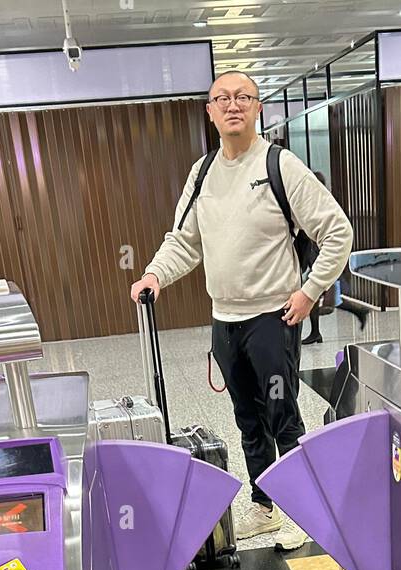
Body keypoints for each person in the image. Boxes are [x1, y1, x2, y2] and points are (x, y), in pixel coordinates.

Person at [130, 71, 353, 545]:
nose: (233, 105)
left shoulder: (280, 164)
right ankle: (264, 505)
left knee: (282, 414)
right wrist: (154, 274)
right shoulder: (202, 172)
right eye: (222, 99)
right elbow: (184, 242)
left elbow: (338, 232)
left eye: (243, 97)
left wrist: (310, 291)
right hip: (224, 322)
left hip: (274, 320)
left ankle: (300, 511)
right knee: (248, 420)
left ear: (257, 109)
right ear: (210, 112)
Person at [301, 172, 370, 346]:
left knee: (322, 296)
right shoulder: (318, 203)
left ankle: (357, 312)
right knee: (317, 295)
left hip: (325, 256)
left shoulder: (325, 204)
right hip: (318, 255)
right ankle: (317, 331)